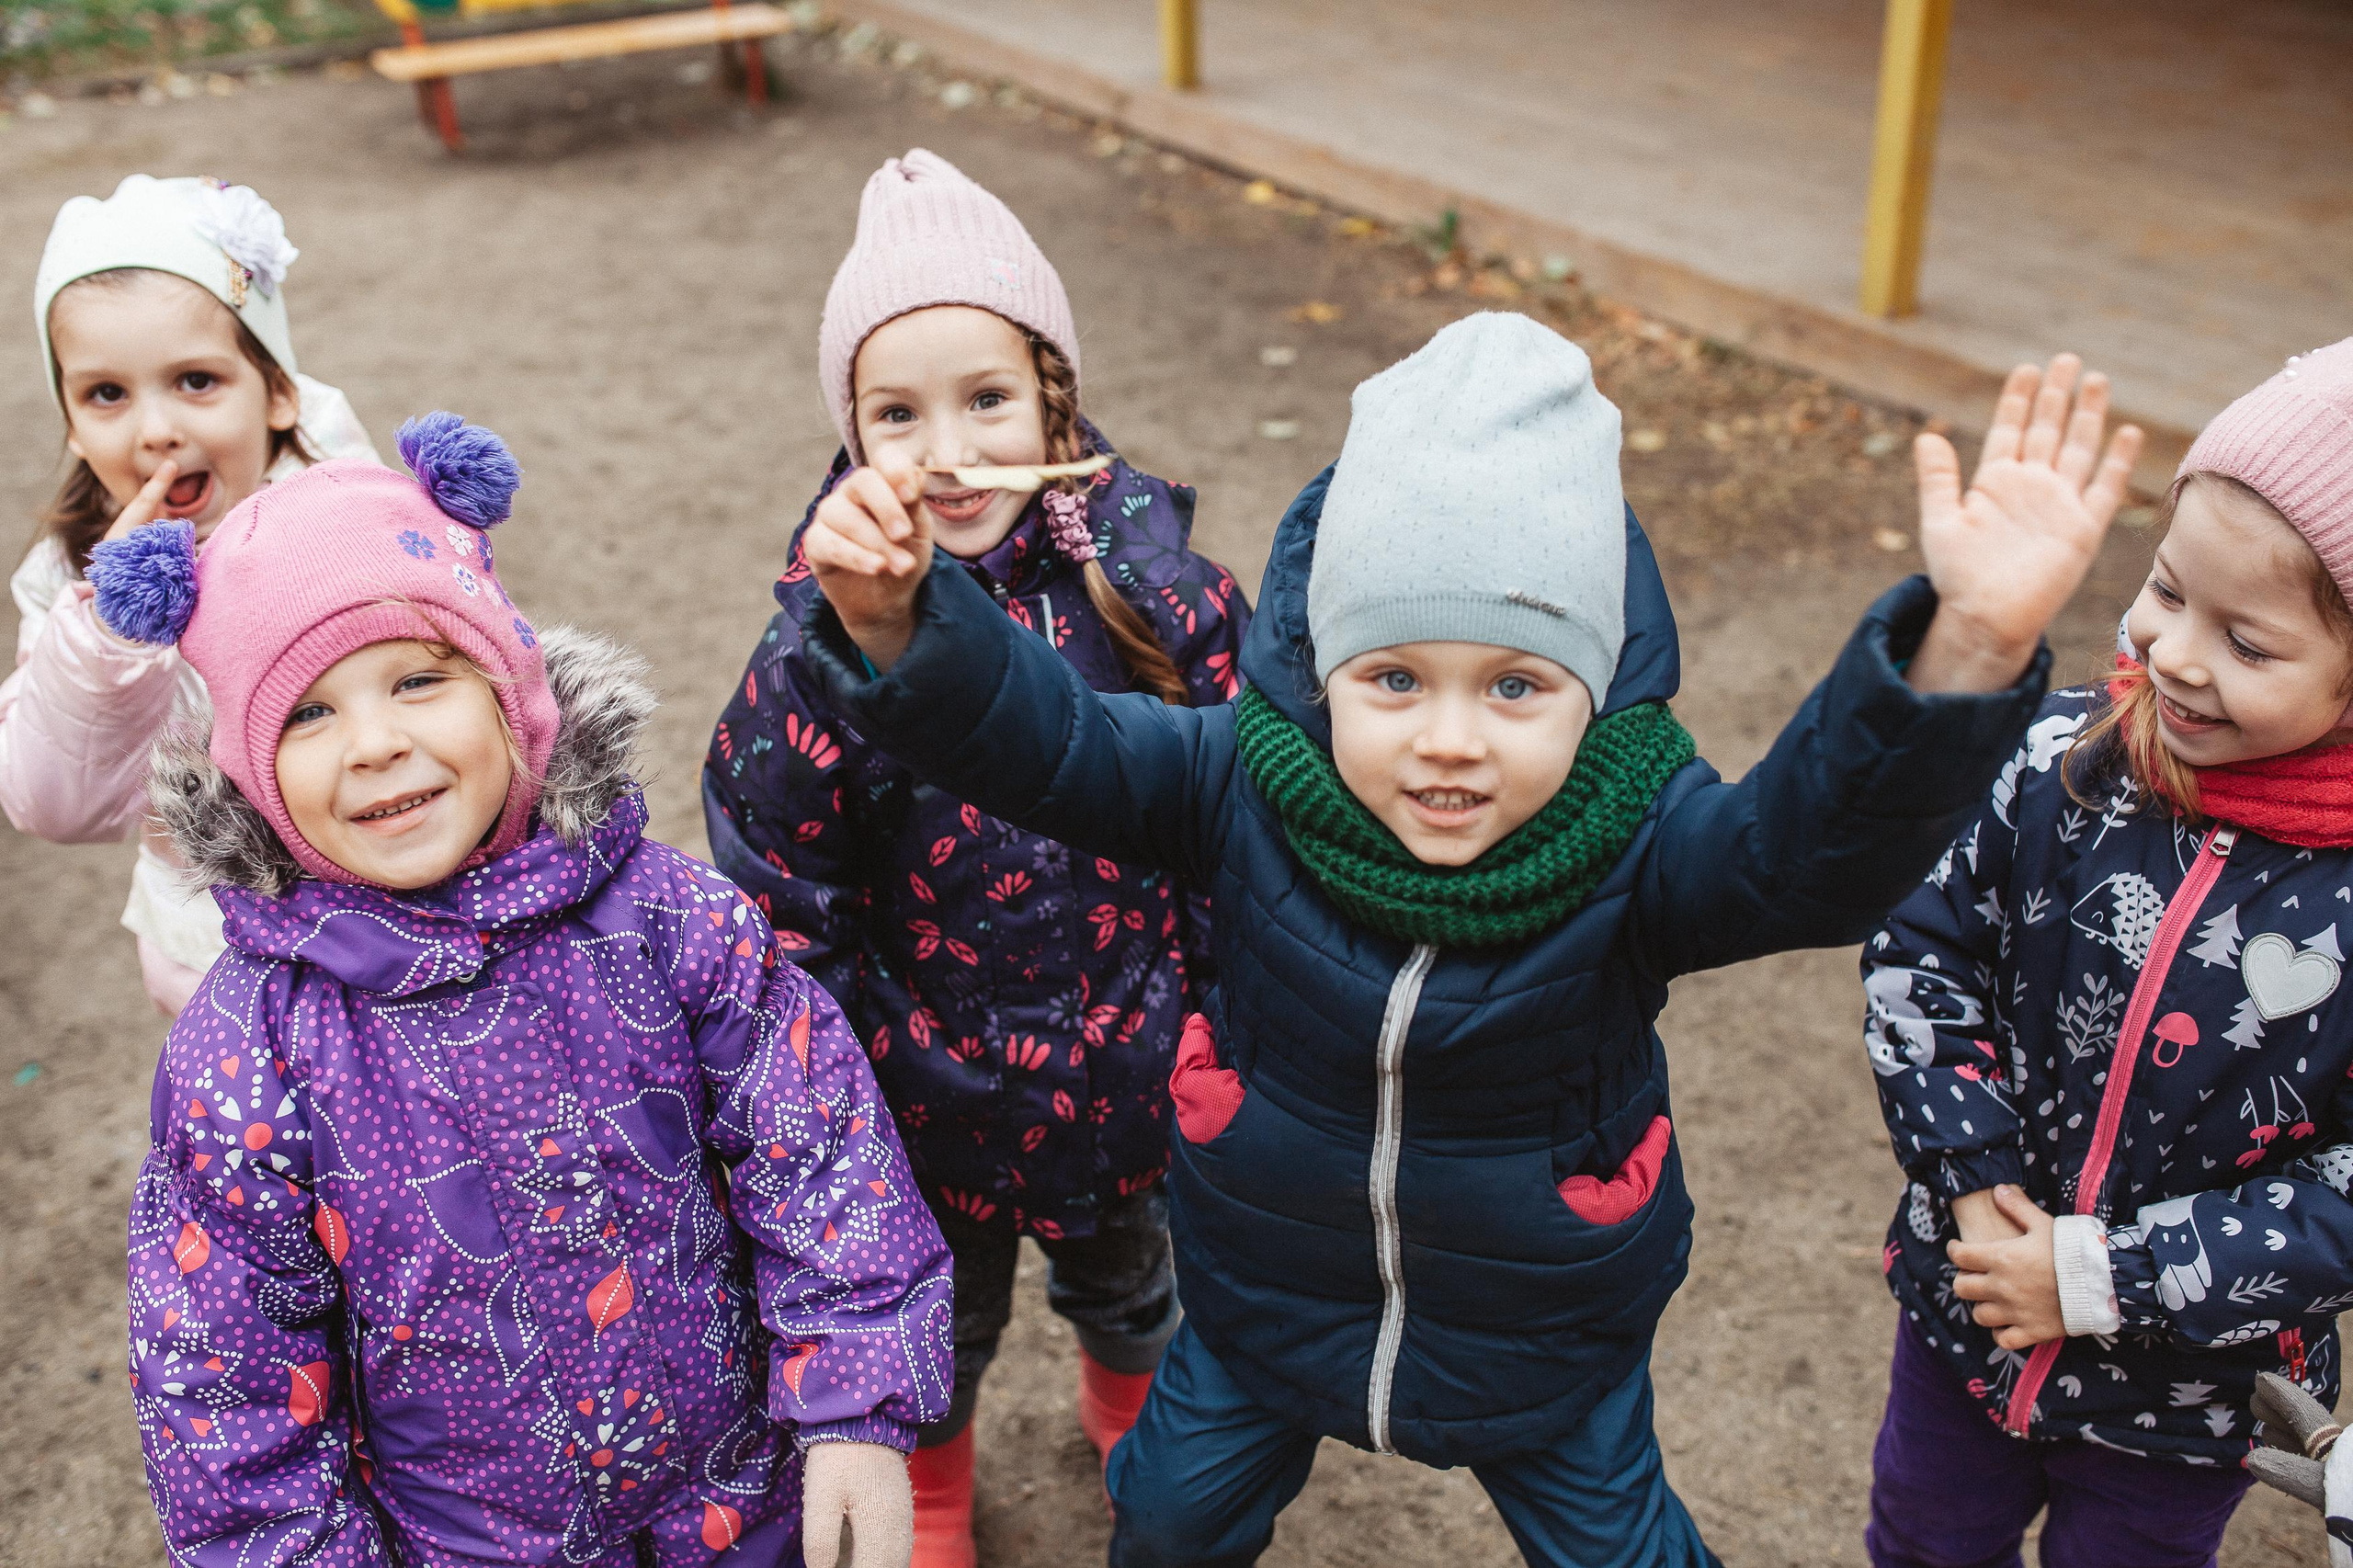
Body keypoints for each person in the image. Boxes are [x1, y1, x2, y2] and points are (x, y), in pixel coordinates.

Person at [790, 309, 2138, 1566]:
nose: (1449, 738)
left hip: (1538, 1328)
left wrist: (1968, 643)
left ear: (1592, 691)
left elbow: (1813, 852)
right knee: (1168, 1514)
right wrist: (900, 616)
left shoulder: (1640, 830)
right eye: (1393, 677)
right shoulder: (1239, 778)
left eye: (1514, 685)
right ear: (1321, 671)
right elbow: (1051, 738)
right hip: (1266, 1298)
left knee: (1622, 1546)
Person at [111, 415, 951, 1566]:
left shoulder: (663, 916)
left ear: (510, 693)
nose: (374, 742)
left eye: (418, 679)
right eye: (307, 712)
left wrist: (855, 1398)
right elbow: (225, 1371)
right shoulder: (247, 1051)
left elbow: (817, 1141)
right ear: (250, 775)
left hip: (739, 1501)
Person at [704, 149, 1247, 1564]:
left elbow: (1237, 821)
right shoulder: (819, 648)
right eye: (898, 413)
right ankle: (935, 1483)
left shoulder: (1164, 598)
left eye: (986, 398)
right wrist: (837, 1087)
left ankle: (1131, 1413)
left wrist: (1224, 1012)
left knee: (1135, 1282)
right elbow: (781, 886)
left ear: (1054, 400)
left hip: (1139, 1064)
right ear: (852, 432)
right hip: (927, 1097)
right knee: (943, 1320)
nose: (945, 451)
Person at [1864, 337, 2353, 1568]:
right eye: (2168, 588)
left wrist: (2099, 1276)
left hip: (2187, 1399)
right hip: (1968, 1308)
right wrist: (1969, 1176)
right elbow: (1919, 947)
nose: (2175, 652)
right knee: (1921, 1539)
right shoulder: (2060, 758)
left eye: (2249, 644)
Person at [0, 175, 382, 1016]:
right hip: (212, 953)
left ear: (277, 392)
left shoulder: (354, 515)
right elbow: (56, 806)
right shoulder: (69, 583)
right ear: (71, 422)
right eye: (106, 394)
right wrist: (109, 639)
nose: (156, 431)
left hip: (386, 919)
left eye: (196, 381)